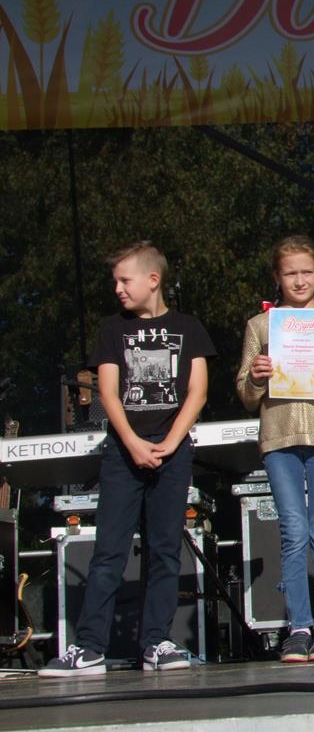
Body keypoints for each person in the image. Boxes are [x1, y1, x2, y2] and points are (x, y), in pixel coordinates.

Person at [39, 241, 216, 677]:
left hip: (172, 450)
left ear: (153, 280)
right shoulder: (112, 330)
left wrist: (170, 442)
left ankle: (155, 641)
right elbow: (108, 392)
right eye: (115, 281)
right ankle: (89, 648)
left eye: (124, 280)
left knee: (164, 549)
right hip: (123, 451)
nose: (117, 289)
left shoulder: (188, 327)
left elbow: (198, 392)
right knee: (109, 550)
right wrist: (134, 443)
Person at [236, 236, 314, 662]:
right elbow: (245, 393)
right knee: (293, 531)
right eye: (290, 273)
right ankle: (298, 627)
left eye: (307, 271)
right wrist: (256, 376)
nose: (300, 280)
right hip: (280, 436)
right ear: (277, 277)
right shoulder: (260, 326)